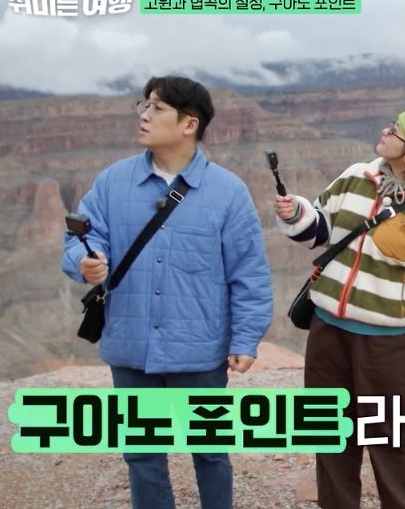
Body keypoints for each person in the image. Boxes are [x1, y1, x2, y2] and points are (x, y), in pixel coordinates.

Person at [61, 75, 273, 509]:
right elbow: (81, 238)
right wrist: (84, 261)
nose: (144, 114)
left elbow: (248, 273)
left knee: (210, 453)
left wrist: (245, 338)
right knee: (142, 456)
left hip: (199, 351)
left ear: (189, 124)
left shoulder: (228, 192)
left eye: (157, 108)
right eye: (144, 105)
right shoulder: (112, 181)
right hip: (131, 347)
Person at [274, 105, 405, 509]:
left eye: (395, 130)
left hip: (387, 344)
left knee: (391, 440)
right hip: (327, 330)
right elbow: (320, 229)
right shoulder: (356, 177)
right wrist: (297, 214)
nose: (385, 131)